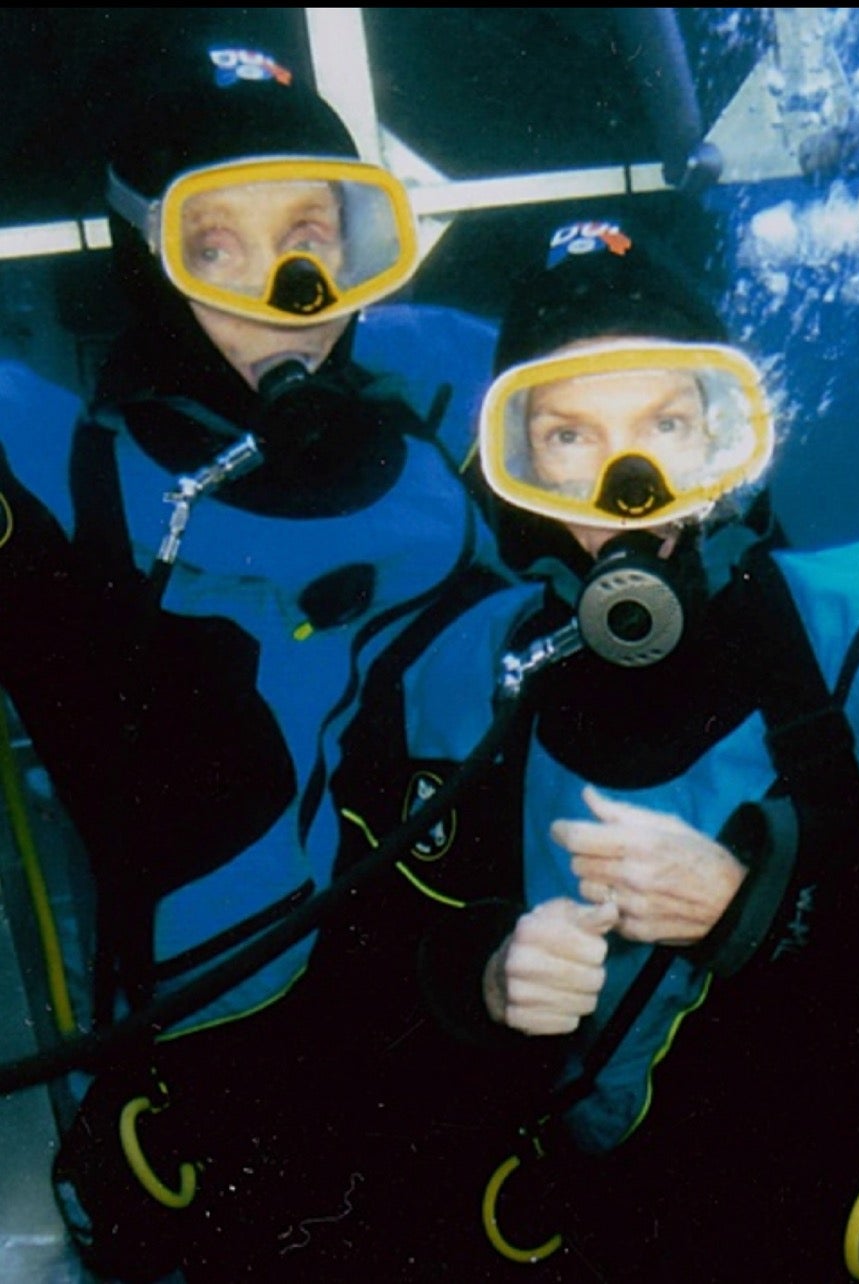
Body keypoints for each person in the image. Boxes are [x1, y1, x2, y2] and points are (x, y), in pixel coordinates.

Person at [374, 218, 859, 1280]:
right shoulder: (462, 682)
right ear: (511, 466)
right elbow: (377, 950)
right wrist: (482, 979)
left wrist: (764, 910)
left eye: (666, 423)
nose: (624, 485)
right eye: (568, 438)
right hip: (610, 1225)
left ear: (729, 436)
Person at [2, 43, 502, 1281]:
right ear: (142, 255)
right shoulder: (66, 464)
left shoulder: (462, 392)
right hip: (216, 1075)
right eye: (213, 243)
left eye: (313, 234)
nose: (287, 290)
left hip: (483, 1025)